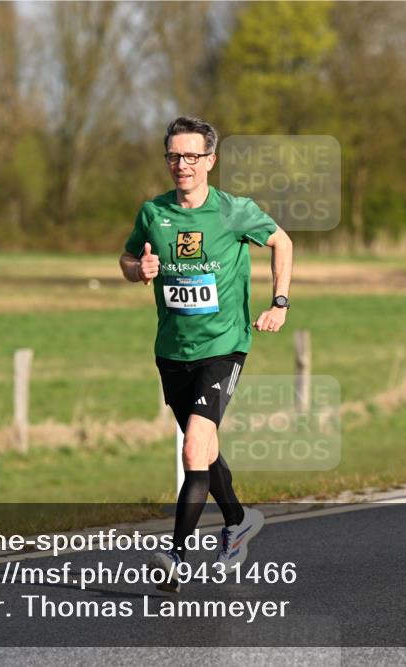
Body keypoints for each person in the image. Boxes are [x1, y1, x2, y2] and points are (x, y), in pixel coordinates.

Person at [119, 117, 293, 592]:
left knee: (194, 445)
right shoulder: (154, 213)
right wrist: (140, 269)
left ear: (211, 161)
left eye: (192, 156)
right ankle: (237, 521)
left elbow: (281, 241)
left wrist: (279, 301)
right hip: (172, 350)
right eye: (174, 156)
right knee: (207, 449)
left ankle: (176, 555)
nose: (183, 165)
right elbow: (128, 258)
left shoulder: (235, 211)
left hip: (224, 346)